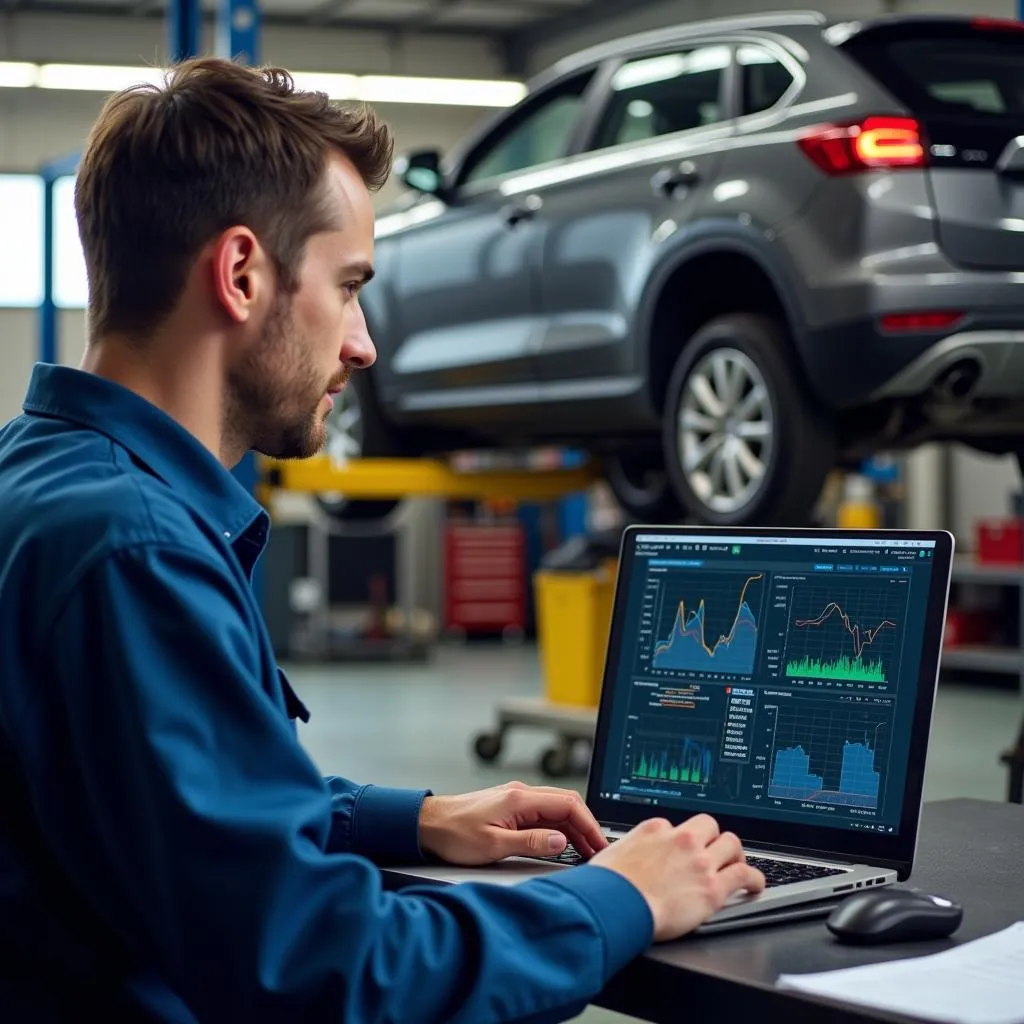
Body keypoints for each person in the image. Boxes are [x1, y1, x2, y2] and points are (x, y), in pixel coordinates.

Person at [0, 57, 765, 1023]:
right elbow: (324, 969)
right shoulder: (135, 551)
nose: (362, 343)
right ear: (240, 274)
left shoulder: (38, 478)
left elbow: (165, 807)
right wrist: (621, 895)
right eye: (350, 286)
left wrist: (416, 819)